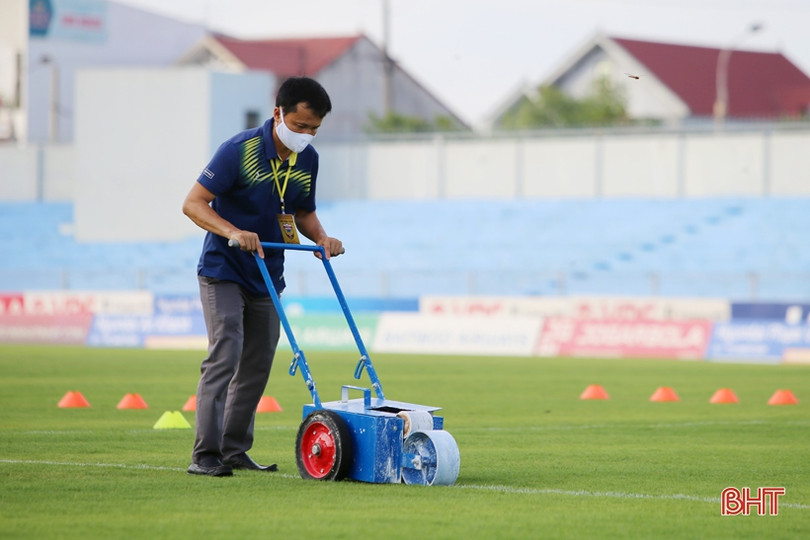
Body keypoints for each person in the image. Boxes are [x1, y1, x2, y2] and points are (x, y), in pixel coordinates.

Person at [182, 77, 343, 477]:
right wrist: (233, 232)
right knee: (227, 351)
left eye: (314, 129)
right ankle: (205, 454)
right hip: (225, 270)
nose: (306, 135)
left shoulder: (308, 159)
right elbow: (193, 203)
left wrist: (322, 238)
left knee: (258, 362)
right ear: (278, 114)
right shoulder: (239, 151)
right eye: (301, 125)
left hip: (268, 273)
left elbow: (302, 211)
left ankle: (235, 449)